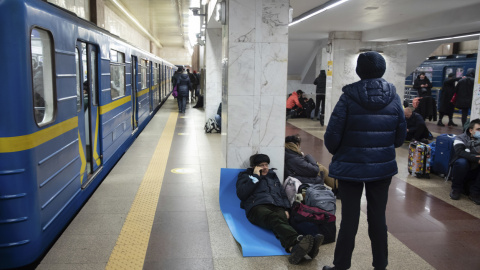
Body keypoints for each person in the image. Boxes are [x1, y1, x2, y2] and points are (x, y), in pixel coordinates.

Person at [323, 51, 406, 270]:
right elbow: (400, 137)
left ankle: (341, 266)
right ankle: (380, 265)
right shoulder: (394, 97)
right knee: (378, 217)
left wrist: (342, 152)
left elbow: (332, 136)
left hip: (350, 167)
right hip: (382, 168)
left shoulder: (348, 97)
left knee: (349, 219)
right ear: (383, 70)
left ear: (359, 71)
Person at [236, 154, 324, 265]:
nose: (265, 167)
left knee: (281, 221)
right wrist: (256, 177)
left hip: (277, 206)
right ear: (254, 167)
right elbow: (242, 194)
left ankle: (294, 248)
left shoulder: (272, 175)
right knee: (274, 218)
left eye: (266, 164)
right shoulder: (245, 176)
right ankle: (298, 242)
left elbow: (282, 194)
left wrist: (286, 208)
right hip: (256, 207)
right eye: (261, 165)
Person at [449, 118, 480, 204]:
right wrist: (477, 158)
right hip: (462, 167)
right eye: (478, 129)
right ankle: (456, 189)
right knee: (462, 162)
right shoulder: (460, 138)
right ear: (471, 130)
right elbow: (460, 152)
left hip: (476, 169)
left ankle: (475, 192)